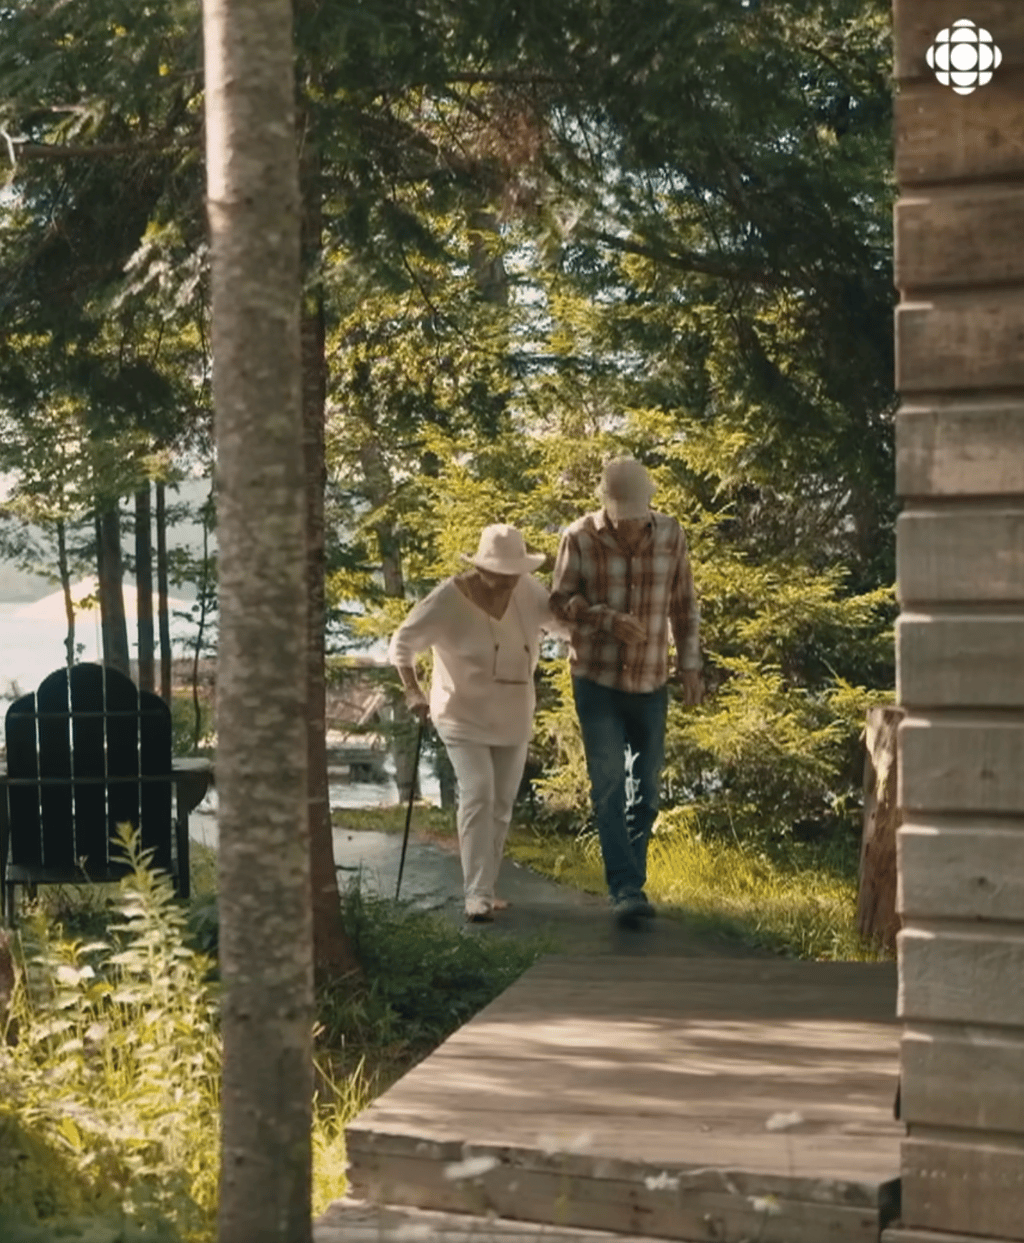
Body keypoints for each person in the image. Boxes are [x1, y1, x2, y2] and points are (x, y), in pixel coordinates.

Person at [550, 457, 704, 927]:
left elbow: (684, 604)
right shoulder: (578, 536)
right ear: (607, 507)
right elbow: (558, 602)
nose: (630, 525)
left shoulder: (671, 534)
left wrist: (691, 666)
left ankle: (630, 880)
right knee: (610, 784)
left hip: (652, 680)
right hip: (595, 679)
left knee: (649, 790)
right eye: (622, 517)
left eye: (636, 516)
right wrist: (606, 620)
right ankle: (625, 887)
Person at [388, 524, 569, 922]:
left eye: (513, 577)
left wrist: (585, 618)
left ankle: (486, 886)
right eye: (499, 577)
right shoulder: (448, 599)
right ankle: (476, 895)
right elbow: (402, 644)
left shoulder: (526, 589)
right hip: (461, 713)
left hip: (513, 713)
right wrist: (412, 691)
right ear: (481, 568)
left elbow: (561, 624)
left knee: (502, 803)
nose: (507, 585)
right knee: (479, 793)